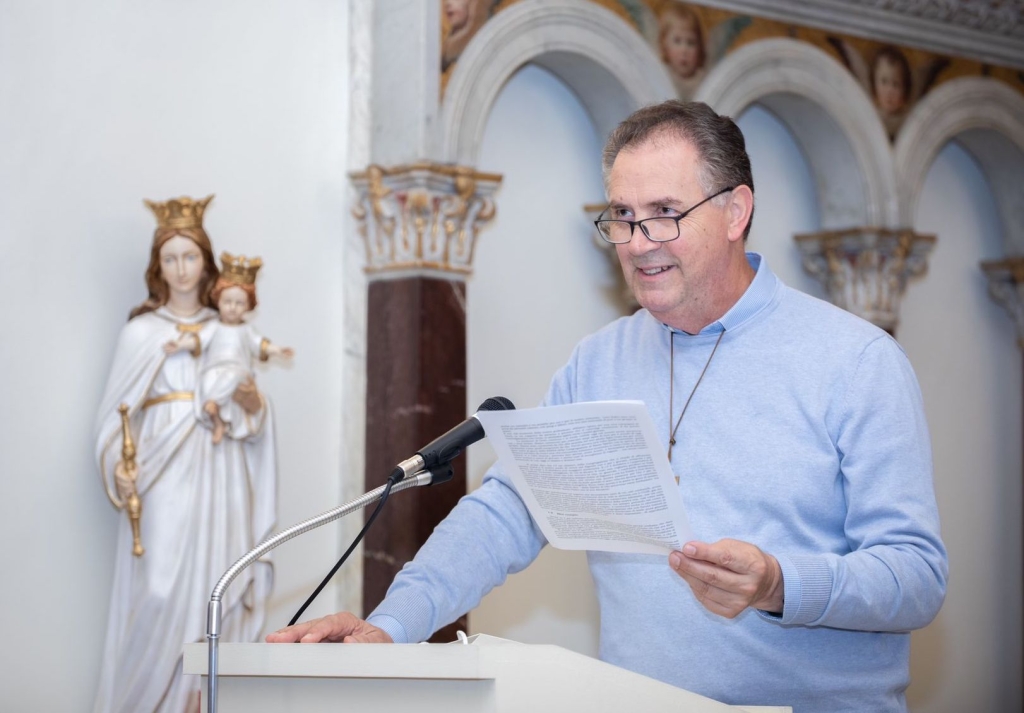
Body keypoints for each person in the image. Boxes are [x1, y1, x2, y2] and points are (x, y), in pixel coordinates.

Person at [268, 102, 947, 712]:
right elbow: (508, 512)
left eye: (664, 213)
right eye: (622, 217)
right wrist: (390, 626)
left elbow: (916, 574)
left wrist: (778, 581)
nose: (638, 241)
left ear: (736, 211)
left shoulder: (854, 360)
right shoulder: (598, 361)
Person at [94, 196, 277, 713]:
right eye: (170, 258)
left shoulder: (229, 331)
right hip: (163, 475)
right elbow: (113, 418)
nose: (180, 268)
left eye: (190, 257)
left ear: (207, 262)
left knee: (217, 598)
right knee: (157, 593)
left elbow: (256, 414)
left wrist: (249, 402)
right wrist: (118, 467)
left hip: (221, 477)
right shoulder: (142, 333)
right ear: (157, 267)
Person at [167, 252, 294, 445]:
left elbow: (260, 344)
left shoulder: (246, 330)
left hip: (238, 372)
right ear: (218, 301)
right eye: (227, 302)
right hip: (215, 370)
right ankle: (218, 420)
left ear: (248, 306)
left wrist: (277, 350)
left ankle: (214, 403)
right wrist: (179, 344)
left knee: (233, 378)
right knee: (207, 380)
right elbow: (198, 340)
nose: (233, 308)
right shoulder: (214, 327)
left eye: (239, 303)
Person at [658, 3, 706, 98]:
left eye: (691, 43)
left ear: (699, 48)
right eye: (677, 41)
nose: (684, 50)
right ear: (664, 45)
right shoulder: (661, 75)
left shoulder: (705, 81)